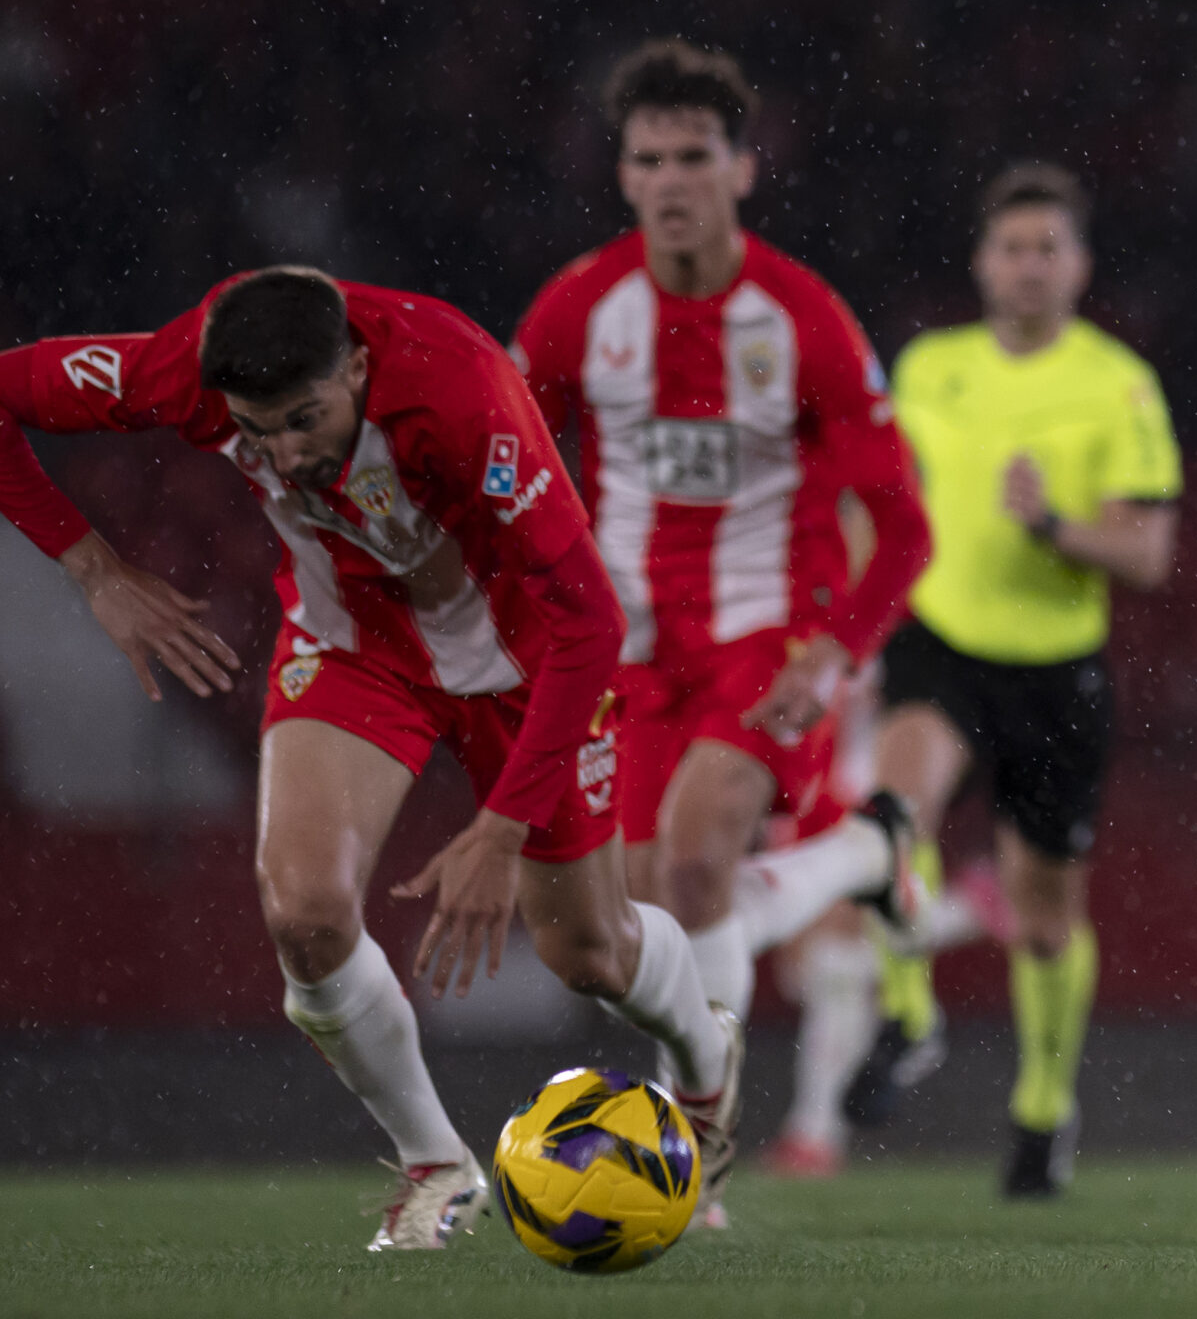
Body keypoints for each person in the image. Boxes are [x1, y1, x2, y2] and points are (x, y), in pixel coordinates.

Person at [0, 267, 741, 1251]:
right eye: (257, 430)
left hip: (526, 661)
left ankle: (703, 1053)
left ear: (356, 365)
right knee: (303, 916)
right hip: (356, 647)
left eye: (306, 419)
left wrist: (501, 825)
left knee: (588, 952)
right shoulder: (183, 368)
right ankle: (438, 1168)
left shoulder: (463, 394)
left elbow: (590, 624)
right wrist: (92, 567)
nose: (284, 452)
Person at [508, 39, 932, 1224]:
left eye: (696, 155)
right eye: (649, 159)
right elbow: (509, 477)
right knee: (659, 916)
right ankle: (863, 856)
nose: (673, 179)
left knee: (696, 868)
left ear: (744, 169)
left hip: (770, 638)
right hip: (629, 650)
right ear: (623, 175)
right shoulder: (577, 314)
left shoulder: (800, 319)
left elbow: (901, 529)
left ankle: (690, 1160)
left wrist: (834, 650)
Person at [858, 162, 1182, 1196]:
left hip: (1053, 672)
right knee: (887, 816)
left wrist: (1050, 525)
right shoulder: (926, 368)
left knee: (1044, 922)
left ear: (1078, 265)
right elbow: (881, 504)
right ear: (981, 263)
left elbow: (1147, 556)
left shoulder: (1118, 384)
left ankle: (1043, 1106)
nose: (1029, 265)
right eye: (1012, 248)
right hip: (940, 643)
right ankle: (907, 1014)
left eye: (1048, 248)